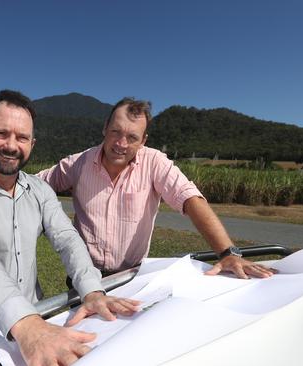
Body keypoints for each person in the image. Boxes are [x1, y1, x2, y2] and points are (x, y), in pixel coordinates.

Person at [0, 90, 140, 365]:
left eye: (22, 137)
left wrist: (91, 289)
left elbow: (67, 238)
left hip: (36, 318)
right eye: (2, 134)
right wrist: (25, 324)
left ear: (32, 143)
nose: (11, 145)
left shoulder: (40, 190)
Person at [37, 97, 275, 280]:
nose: (121, 144)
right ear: (104, 128)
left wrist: (227, 253)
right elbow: (34, 186)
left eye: (132, 137)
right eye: (115, 132)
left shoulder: (154, 163)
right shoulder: (78, 163)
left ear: (144, 140)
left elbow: (189, 198)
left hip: (133, 279)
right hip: (83, 277)